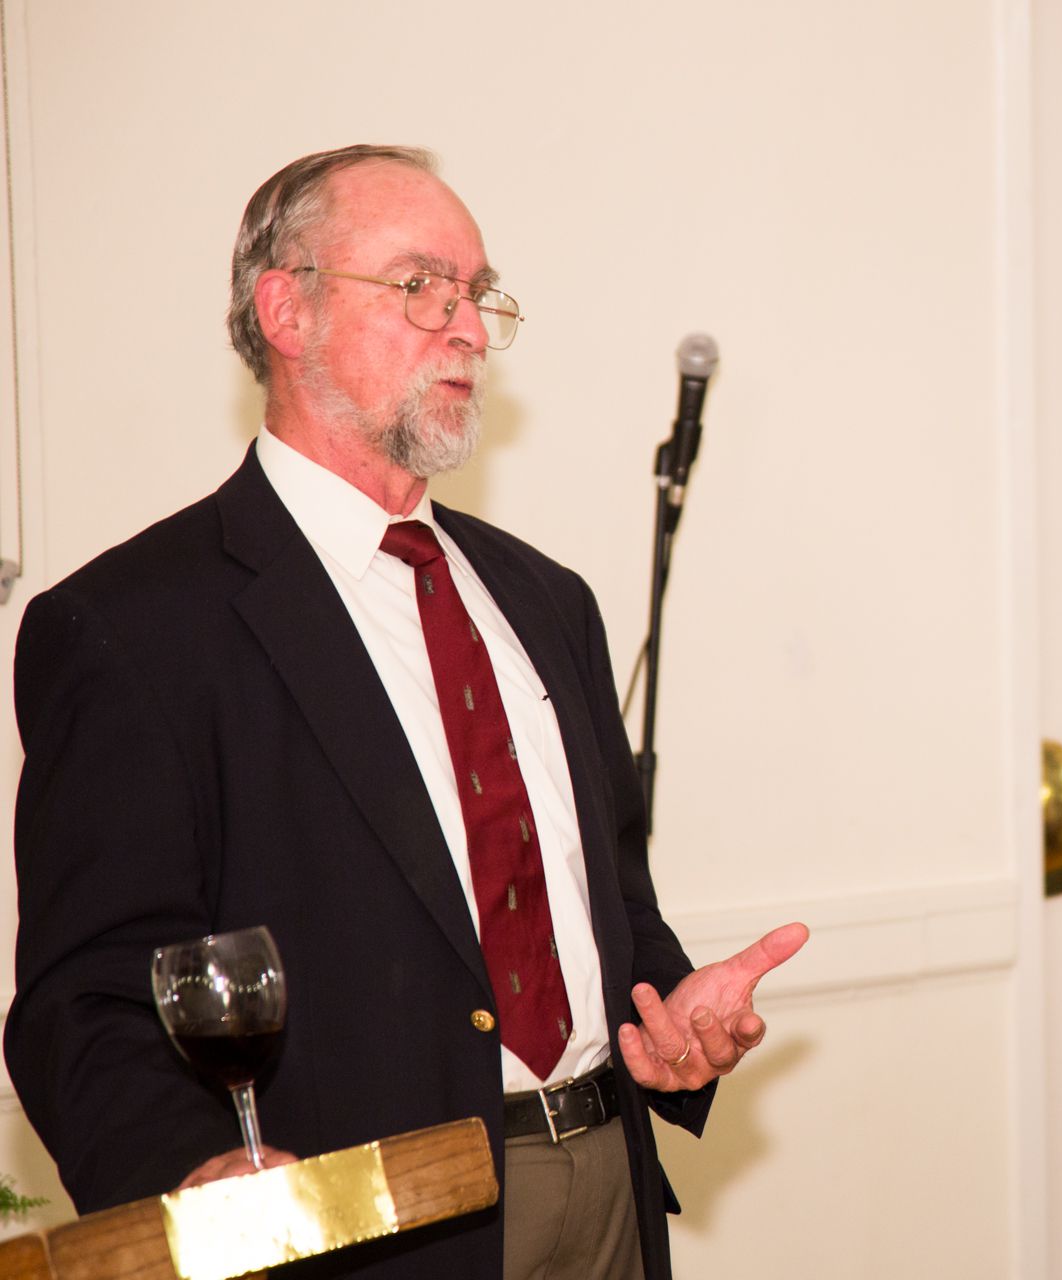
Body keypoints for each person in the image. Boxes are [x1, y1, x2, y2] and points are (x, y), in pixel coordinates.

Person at [3, 144, 805, 1279]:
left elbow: (606, 899)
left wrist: (670, 1013)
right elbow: (84, 998)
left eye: (479, 295)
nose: (469, 327)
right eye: (423, 286)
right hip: (372, 1235)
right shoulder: (135, 627)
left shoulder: (544, 598)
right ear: (287, 307)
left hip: (613, 1187)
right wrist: (191, 1176)